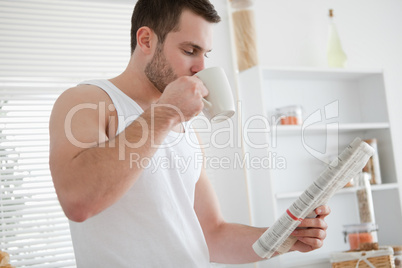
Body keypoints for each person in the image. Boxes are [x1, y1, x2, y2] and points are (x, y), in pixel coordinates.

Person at [49, 0, 330, 267]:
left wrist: (285, 237)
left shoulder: (184, 127)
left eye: (205, 54)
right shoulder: (86, 101)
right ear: (146, 40)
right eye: (189, 50)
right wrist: (165, 113)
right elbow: (77, 202)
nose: (200, 68)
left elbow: (213, 234)